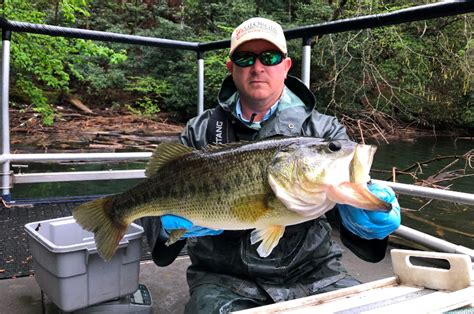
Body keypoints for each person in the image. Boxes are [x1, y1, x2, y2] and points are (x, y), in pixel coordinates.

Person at [141, 17, 400, 313]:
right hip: (222, 280)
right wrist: (165, 228)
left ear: (286, 66)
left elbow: (352, 223)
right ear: (231, 67)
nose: (258, 66)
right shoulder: (199, 132)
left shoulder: (325, 132)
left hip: (316, 274)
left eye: (270, 57)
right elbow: (155, 205)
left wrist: (368, 225)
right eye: (245, 57)